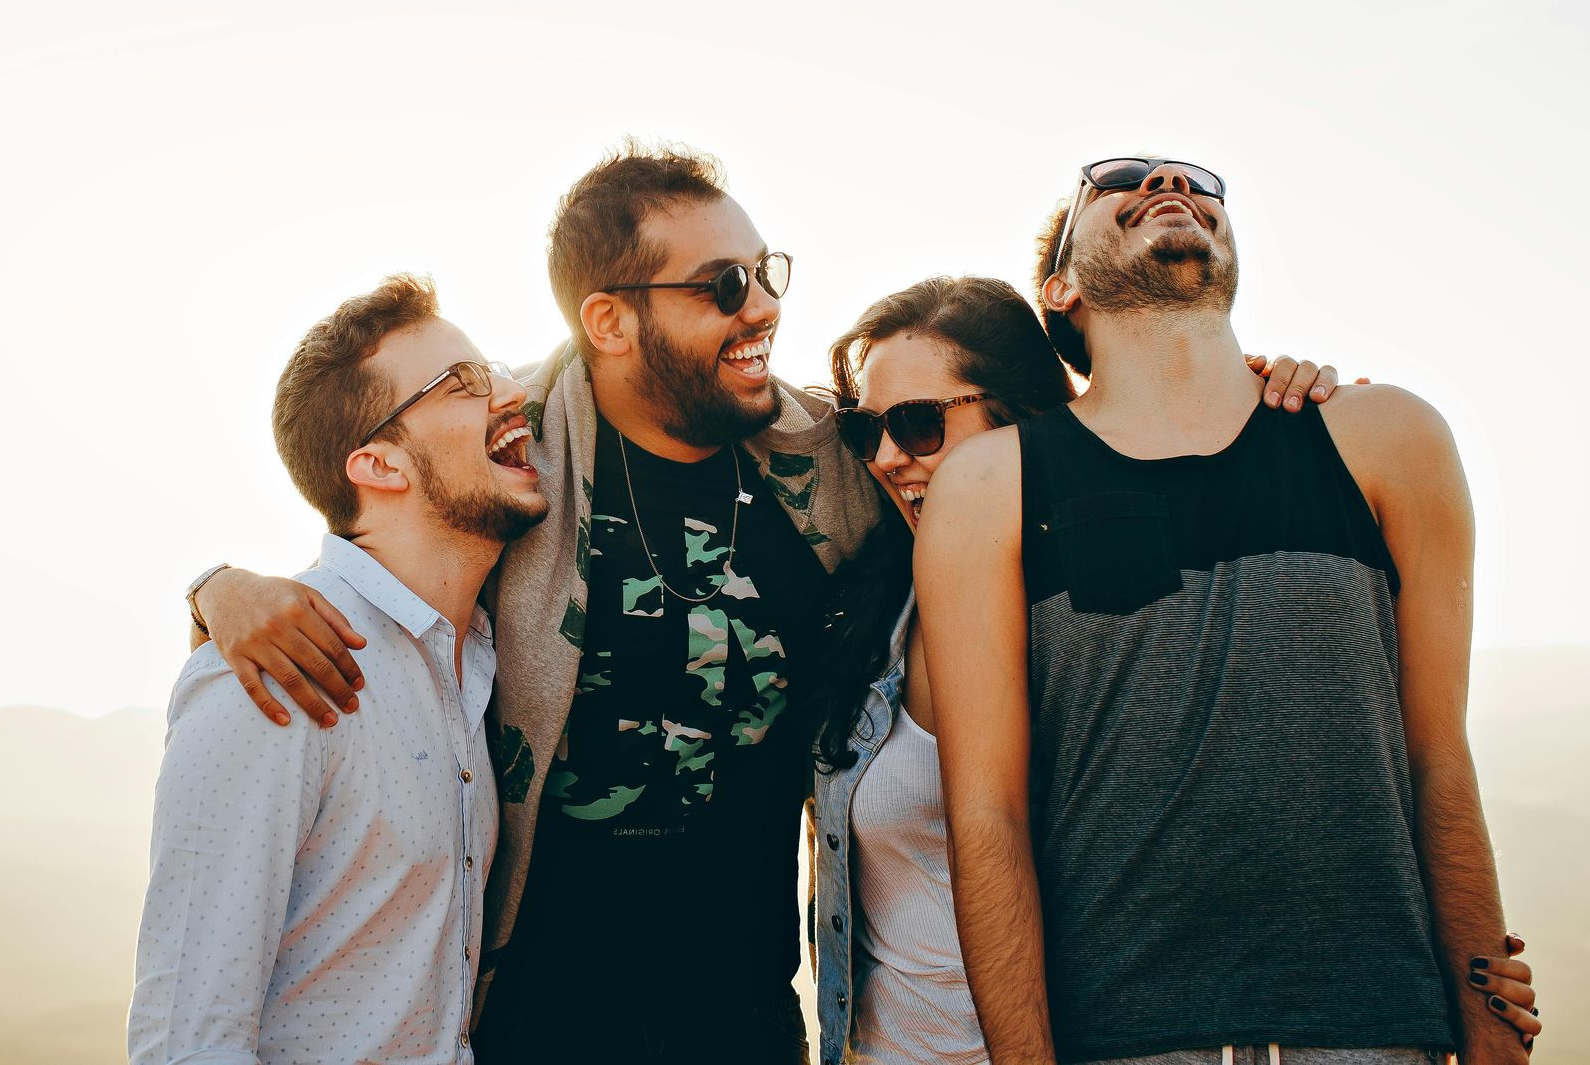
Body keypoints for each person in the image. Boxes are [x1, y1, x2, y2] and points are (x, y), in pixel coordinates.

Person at [184, 145, 1351, 1061]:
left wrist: (1250, 390)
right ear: (610, 321)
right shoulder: (523, 451)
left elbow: (1013, 443)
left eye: (766, 272)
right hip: (528, 1022)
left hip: (749, 1025)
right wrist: (221, 590)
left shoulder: (831, 456)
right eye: (723, 285)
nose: (762, 307)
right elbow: (385, 527)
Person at [809, 277, 1538, 1065]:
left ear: (1021, 420)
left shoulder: (1109, 616)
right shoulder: (867, 612)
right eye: (863, 429)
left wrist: (1473, 980)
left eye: (918, 423)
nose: (887, 456)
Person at [129, 275, 548, 1063]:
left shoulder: (473, 664)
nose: (512, 393)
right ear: (379, 465)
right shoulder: (273, 670)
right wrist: (212, 589)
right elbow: (187, 1041)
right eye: (463, 382)